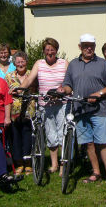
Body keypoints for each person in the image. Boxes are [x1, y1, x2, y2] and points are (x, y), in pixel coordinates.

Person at [58, 34, 106, 192]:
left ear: (94, 46)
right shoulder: (73, 64)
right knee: (89, 143)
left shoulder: (102, 64)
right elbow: (68, 85)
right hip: (80, 109)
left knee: (103, 142)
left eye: (91, 45)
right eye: (85, 45)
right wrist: (62, 90)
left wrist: (98, 94)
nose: (88, 48)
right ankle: (96, 172)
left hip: (98, 109)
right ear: (80, 47)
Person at [18, 37, 68, 175]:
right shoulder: (39, 63)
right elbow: (29, 79)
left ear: (56, 50)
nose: (50, 52)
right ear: (43, 51)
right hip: (45, 104)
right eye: (47, 50)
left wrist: (62, 90)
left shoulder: (64, 63)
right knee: (51, 134)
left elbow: (70, 82)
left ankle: (64, 164)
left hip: (61, 103)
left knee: (62, 133)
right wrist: (19, 89)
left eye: (52, 50)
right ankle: (54, 164)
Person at [5, 51, 36, 175]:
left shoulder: (32, 74)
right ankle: (19, 163)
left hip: (29, 111)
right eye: (18, 62)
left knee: (28, 136)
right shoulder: (9, 76)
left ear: (26, 62)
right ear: (14, 63)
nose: (20, 64)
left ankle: (28, 163)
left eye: (23, 61)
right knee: (16, 137)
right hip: (14, 112)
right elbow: (6, 93)